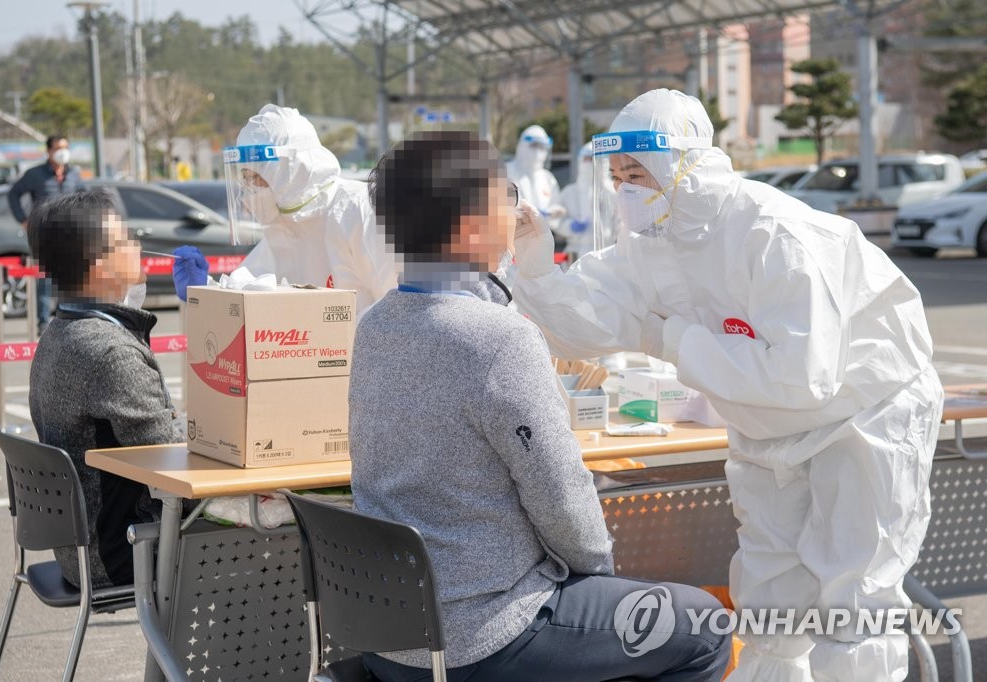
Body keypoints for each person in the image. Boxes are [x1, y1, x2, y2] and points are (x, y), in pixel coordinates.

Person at [510, 89, 943, 682]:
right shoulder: (653, 242)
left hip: (862, 417)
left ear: (683, 166)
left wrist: (671, 339)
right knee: (770, 594)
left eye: (637, 173)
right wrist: (536, 270)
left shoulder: (775, 235)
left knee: (854, 594)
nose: (625, 188)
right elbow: (592, 324)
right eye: (616, 176)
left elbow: (803, 376)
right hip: (765, 425)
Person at [349, 130, 731, 682]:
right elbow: (564, 504)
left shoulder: (375, 325)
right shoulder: (497, 339)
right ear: (473, 225)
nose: (518, 209)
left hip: (390, 637)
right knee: (704, 626)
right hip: (487, 635)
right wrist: (601, 578)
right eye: (506, 196)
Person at [26, 189, 179, 589]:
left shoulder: (58, 332)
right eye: (126, 240)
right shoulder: (110, 352)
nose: (137, 246)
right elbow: (176, 467)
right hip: (122, 552)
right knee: (274, 533)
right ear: (100, 268)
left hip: (76, 553)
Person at [173, 104, 398, 315]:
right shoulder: (282, 231)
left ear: (287, 172)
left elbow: (401, 309)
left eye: (255, 178)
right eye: (245, 178)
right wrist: (202, 292)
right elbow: (242, 303)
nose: (248, 191)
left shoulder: (358, 210)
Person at [8, 135, 86, 334]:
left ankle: (66, 321)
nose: (63, 151)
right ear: (49, 151)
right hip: (44, 235)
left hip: (70, 235)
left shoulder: (75, 174)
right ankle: (43, 324)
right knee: (45, 281)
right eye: (59, 148)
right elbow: (13, 193)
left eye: (66, 147)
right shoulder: (35, 175)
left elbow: (86, 198)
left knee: (70, 280)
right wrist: (24, 220)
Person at [505, 124, 565, 227]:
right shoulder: (504, 171)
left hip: (541, 237)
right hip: (512, 238)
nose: (537, 152)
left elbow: (556, 210)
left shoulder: (547, 178)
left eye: (542, 147)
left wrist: (553, 214)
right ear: (522, 146)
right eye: (534, 146)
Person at [556, 141, 595, 259]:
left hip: (604, 251)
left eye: (592, 159)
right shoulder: (569, 192)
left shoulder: (611, 193)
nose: (588, 163)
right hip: (574, 254)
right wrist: (569, 226)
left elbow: (622, 226)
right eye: (586, 159)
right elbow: (555, 219)